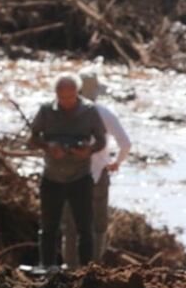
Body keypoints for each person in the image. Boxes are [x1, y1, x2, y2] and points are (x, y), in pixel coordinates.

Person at [29, 73, 107, 268]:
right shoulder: (46, 110)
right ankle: (47, 269)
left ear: (77, 93)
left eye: (70, 97)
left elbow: (101, 140)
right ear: (56, 94)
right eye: (62, 98)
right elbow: (32, 138)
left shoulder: (90, 111)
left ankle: (87, 272)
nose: (66, 102)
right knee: (49, 228)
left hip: (80, 177)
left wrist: (87, 150)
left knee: (85, 229)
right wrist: (49, 147)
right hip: (52, 177)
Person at [61, 69, 132, 266]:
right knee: (97, 227)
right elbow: (125, 144)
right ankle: (92, 269)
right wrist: (116, 162)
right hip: (98, 175)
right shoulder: (104, 114)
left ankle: (70, 270)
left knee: (71, 227)